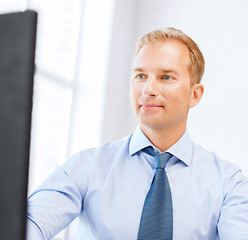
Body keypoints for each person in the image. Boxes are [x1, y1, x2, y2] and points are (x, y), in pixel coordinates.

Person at [26, 27, 248, 240]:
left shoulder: (228, 184)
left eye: (166, 77)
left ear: (195, 94)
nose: (148, 90)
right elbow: (29, 222)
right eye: (140, 76)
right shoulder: (86, 168)